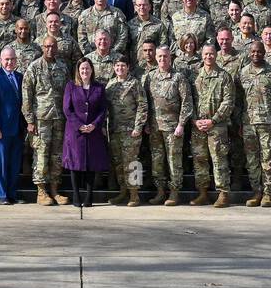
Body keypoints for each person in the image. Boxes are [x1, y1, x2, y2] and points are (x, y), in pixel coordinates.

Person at [23, 35, 72, 205]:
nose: (50, 49)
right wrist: (29, 120)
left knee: (57, 155)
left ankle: (54, 189)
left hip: (59, 118)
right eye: (47, 46)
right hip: (41, 119)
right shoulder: (34, 68)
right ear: (42, 47)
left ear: (57, 48)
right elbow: (26, 95)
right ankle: (41, 191)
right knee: (42, 153)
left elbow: (68, 92)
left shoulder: (63, 67)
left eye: (53, 46)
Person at [141, 45, 194, 206]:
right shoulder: (149, 77)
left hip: (173, 127)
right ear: (156, 58)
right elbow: (145, 102)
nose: (162, 59)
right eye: (160, 57)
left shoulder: (178, 77)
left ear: (170, 58)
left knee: (174, 161)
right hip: (155, 126)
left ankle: (174, 192)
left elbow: (186, 102)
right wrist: (146, 123)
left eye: (165, 56)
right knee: (157, 161)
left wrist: (181, 124)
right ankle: (160, 191)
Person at [239, 41, 271, 207]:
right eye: (253, 52)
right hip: (248, 123)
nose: (256, 54)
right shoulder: (243, 73)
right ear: (249, 53)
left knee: (267, 160)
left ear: (263, 53)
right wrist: (239, 121)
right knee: (252, 161)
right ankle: (257, 192)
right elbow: (239, 100)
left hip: (268, 124)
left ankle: (268, 193)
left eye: (259, 52)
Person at [190, 44, 235, 208]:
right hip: (198, 126)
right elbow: (190, 100)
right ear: (202, 55)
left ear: (216, 55)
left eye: (211, 54)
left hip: (217, 125)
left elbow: (228, 102)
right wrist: (194, 120)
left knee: (219, 159)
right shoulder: (196, 76)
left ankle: (223, 194)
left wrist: (213, 120)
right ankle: (203, 193)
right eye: (206, 54)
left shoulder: (224, 76)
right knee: (199, 160)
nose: (208, 57)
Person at [62, 58, 109, 207]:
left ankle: (89, 197)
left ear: (92, 70)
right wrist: (79, 125)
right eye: (82, 69)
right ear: (78, 71)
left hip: (93, 132)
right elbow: (67, 109)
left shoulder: (99, 87)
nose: (85, 71)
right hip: (76, 132)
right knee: (75, 164)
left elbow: (103, 109)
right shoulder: (71, 86)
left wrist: (94, 125)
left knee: (91, 165)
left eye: (87, 68)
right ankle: (76, 196)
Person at [104, 58, 147, 206]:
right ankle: (123, 192)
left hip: (130, 130)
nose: (120, 68)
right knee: (118, 163)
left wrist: (138, 127)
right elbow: (106, 108)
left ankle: (134, 194)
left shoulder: (135, 83)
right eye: (117, 65)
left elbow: (142, 106)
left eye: (123, 65)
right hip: (114, 130)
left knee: (132, 163)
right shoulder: (110, 84)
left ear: (128, 67)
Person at [0, 46, 24, 205]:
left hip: (17, 128)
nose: (10, 62)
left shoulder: (20, 77)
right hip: (0, 129)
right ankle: (2, 196)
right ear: (1, 60)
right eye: (7, 59)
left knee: (14, 164)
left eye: (12, 59)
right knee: (0, 164)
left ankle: (12, 194)